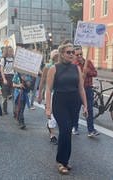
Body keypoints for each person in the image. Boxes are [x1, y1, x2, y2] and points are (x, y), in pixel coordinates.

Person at [45, 43, 88, 175]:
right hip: (60, 102)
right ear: (61, 54)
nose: (71, 54)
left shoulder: (76, 68)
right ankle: (60, 161)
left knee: (68, 131)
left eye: (72, 52)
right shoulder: (54, 68)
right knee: (64, 130)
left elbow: (81, 88)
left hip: (74, 102)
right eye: (68, 52)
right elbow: (48, 89)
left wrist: (85, 105)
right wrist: (48, 107)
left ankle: (65, 160)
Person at [72, 45, 99, 137]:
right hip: (77, 90)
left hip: (88, 89)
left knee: (89, 109)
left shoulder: (88, 62)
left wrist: (88, 71)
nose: (79, 56)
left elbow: (95, 73)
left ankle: (91, 130)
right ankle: (75, 127)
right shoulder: (73, 64)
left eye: (81, 54)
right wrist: (79, 75)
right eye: (77, 55)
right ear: (74, 55)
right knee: (76, 109)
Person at [37, 49, 59, 145]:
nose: (57, 57)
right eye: (55, 56)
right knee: (51, 113)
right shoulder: (47, 67)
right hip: (50, 93)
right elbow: (42, 81)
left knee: (59, 113)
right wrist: (40, 94)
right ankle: (52, 135)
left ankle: (52, 127)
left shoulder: (63, 66)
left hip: (60, 93)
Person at [0, 46, 15, 115]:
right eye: (9, 51)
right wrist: (4, 79)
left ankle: (15, 111)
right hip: (6, 76)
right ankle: (4, 109)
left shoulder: (14, 59)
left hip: (13, 77)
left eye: (12, 51)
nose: (11, 52)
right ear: (7, 52)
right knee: (4, 95)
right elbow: (2, 70)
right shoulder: (3, 59)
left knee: (14, 95)